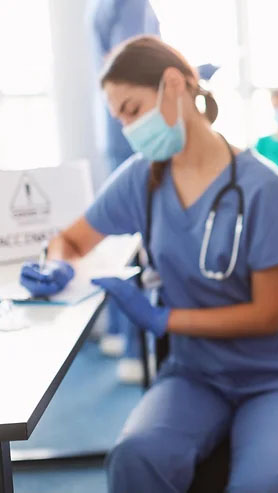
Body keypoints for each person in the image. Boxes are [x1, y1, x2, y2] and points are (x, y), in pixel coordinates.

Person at [20, 36, 278, 492]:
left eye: (132, 110)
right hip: (196, 374)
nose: (128, 128)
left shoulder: (264, 187)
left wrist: (164, 318)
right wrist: (57, 264)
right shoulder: (141, 178)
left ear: (174, 85)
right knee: (134, 459)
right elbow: (71, 239)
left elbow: (269, 314)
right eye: (119, 118)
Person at [88, 0, 160, 382]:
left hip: (118, 137)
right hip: (132, 140)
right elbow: (134, 67)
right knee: (139, 243)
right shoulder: (128, 4)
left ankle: (120, 333)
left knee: (124, 239)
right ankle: (132, 344)